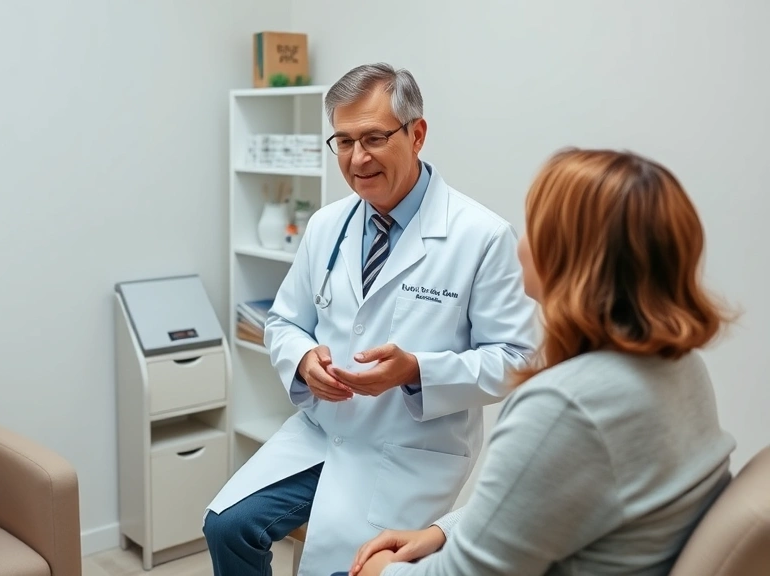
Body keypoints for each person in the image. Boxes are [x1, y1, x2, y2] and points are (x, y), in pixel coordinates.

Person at [202, 62, 539, 575]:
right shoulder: (326, 225)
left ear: (417, 134)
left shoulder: (482, 236)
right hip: (320, 434)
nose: (357, 158)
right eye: (343, 141)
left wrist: (416, 370)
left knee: (354, 567)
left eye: (374, 138)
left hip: (408, 452)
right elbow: (284, 322)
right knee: (227, 527)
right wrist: (303, 359)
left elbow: (516, 359)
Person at [341, 148, 738, 576]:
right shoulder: (678, 366)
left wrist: (378, 570)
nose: (521, 245)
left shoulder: (566, 407)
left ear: (569, 253)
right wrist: (442, 531)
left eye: (533, 226)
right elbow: (540, 501)